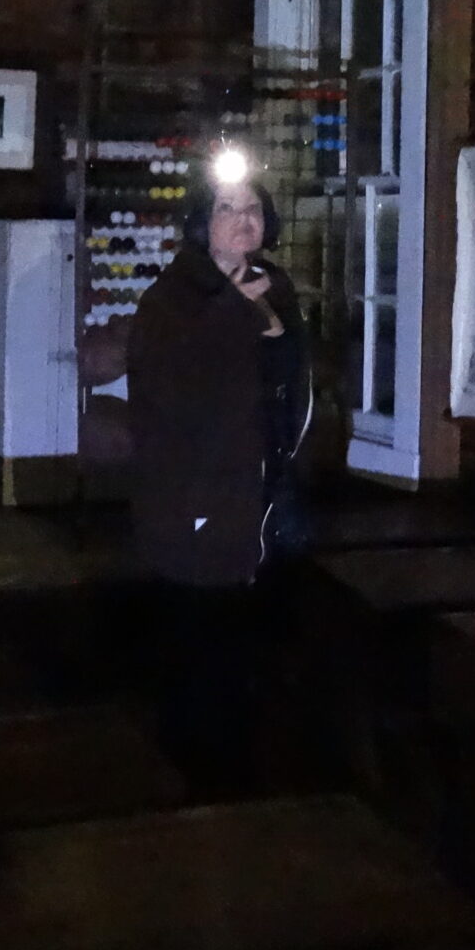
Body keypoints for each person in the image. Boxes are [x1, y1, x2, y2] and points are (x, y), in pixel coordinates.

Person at [125, 168, 312, 788]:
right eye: (227, 208)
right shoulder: (170, 300)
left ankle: (250, 771)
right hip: (196, 500)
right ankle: (195, 778)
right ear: (202, 223)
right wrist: (234, 312)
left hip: (265, 493)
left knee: (255, 643)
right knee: (200, 643)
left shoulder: (274, 287)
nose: (243, 219)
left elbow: (289, 382)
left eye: (252, 207)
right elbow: (174, 396)